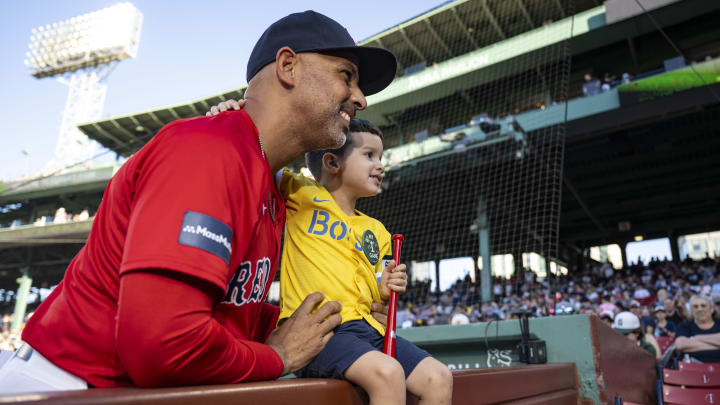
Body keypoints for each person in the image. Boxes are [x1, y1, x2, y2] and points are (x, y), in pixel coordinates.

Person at [0, 10, 397, 394]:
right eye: (346, 76)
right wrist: (277, 356)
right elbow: (162, 345)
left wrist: (347, 321)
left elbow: (229, 315)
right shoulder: (210, 151)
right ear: (288, 66)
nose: (359, 98)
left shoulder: (272, 185)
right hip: (65, 385)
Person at [279, 118, 452, 404]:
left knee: (439, 378)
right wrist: (231, 113)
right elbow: (258, 158)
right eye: (369, 155)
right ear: (332, 163)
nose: (381, 165)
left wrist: (386, 287)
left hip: (368, 330)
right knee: (388, 372)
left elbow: (377, 289)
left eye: (381, 157)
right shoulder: (300, 192)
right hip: (320, 332)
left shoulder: (378, 231)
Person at [675, 295, 720, 363]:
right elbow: (681, 344)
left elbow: (685, 345)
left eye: (703, 306)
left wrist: (696, 338)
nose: (699, 309)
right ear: (692, 311)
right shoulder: (684, 326)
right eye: (695, 307)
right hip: (693, 369)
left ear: (712, 309)